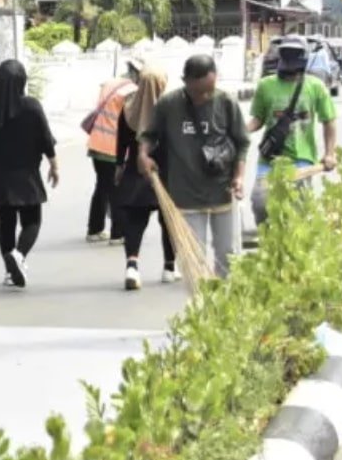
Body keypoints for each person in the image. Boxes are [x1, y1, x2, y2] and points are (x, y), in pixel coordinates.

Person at [139, 55, 249, 279]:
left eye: (209, 90)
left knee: (228, 255)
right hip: (186, 195)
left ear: (215, 79)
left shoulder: (227, 103)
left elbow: (242, 143)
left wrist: (239, 177)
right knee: (193, 256)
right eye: (198, 92)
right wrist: (143, 155)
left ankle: (226, 304)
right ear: (185, 81)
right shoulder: (169, 105)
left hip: (223, 192)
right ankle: (202, 305)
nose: (204, 96)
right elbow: (149, 135)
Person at [0, 60, 59, 288]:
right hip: (26, 177)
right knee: (32, 221)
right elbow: (46, 140)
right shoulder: (32, 107)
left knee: (6, 224)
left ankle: (10, 272)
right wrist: (54, 166)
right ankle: (19, 255)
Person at [247, 36, 338, 226]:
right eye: (286, 53)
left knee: (297, 212)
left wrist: (330, 154)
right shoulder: (266, 85)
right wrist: (240, 131)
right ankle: (269, 243)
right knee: (260, 203)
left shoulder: (316, 87)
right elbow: (258, 119)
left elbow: (329, 121)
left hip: (301, 160)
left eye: (294, 54)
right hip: (270, 159)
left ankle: (291, 250)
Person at [113, 66, 176, 290]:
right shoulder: (170, 111)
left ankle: (132, 264)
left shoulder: (129, 108)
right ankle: (169, 267)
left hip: (135, 172)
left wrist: (119, 167)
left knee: (135, 221)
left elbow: (120, 143)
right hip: (165, 172)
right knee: (168, 221)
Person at [85, 58, 140, 244]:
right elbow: (130, 122)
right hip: (111, 146)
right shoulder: (131, 91)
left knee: (102, 187)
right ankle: (118, 234)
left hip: (96, 142)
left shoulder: (110, 84)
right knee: (116, 189)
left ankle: (94, 229)